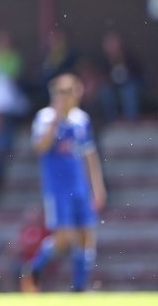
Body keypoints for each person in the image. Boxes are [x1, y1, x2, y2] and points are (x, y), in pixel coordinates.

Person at [20, 73, 106, 293]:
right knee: (64, 237)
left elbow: (89, 155)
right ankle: (34, 268)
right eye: (62, 93)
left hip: (80, 187)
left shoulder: (81, 120)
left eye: (70, 93)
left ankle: (79, 286)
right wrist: (55, 121)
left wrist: (97, 187)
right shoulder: (45, 118)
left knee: (87, 235)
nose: (67, 98)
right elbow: (40, 148)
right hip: (58, 188)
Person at [97, 30, 143, 122]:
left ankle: (130, 122)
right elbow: (103, 76)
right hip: (113, 87)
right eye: (108, 44)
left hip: (130, 84)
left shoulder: (129, 56)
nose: (111, 46)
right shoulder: (104, 60)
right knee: (105, 92)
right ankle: (110, 121)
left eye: (113, 43)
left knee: (128, 91)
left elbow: (138, 73)